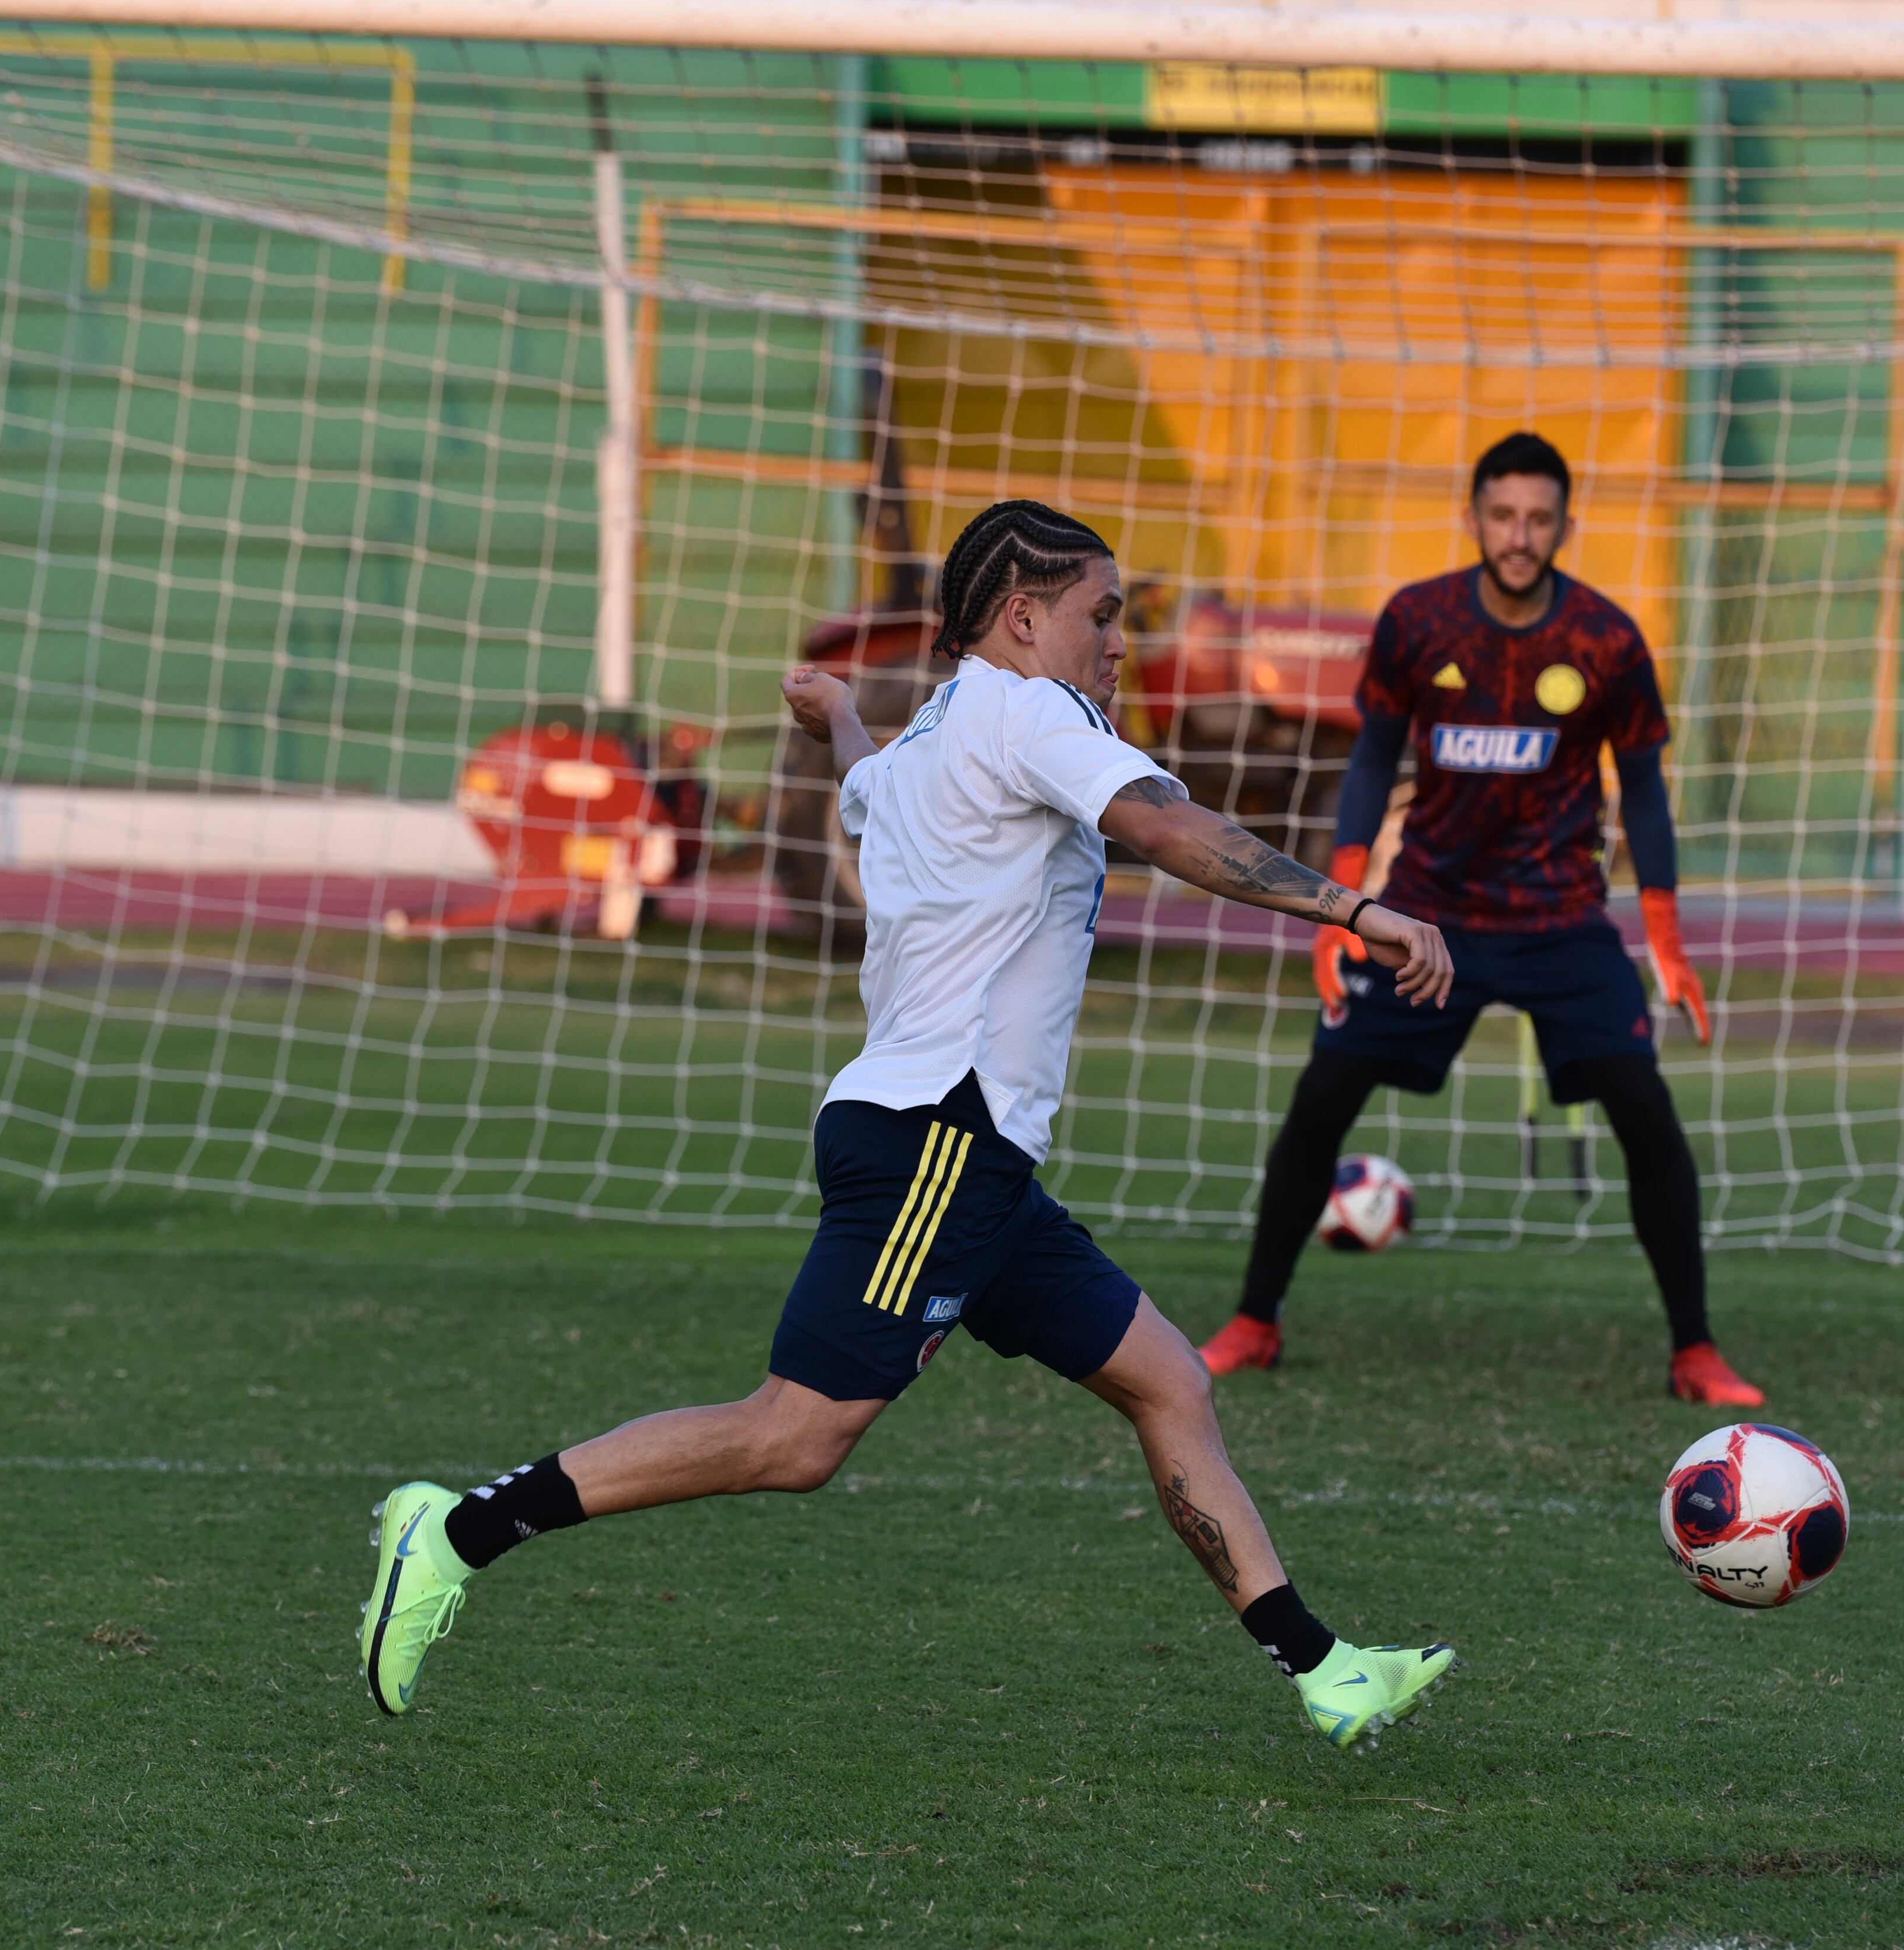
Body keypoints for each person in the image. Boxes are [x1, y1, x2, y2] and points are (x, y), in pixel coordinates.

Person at [358, 500, 1460, 1748]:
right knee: (792, 1436)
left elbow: (865, 797)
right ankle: (451, 1531)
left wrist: (838, 720)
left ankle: (1325, 1671)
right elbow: (1165, 828)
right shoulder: (1031, 712)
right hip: (940, 1136)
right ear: (1021, 616)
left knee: (1167, 1381)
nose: (1116, 640)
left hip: (969, 1157)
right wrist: (1360, 912)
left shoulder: (931, 740)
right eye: (1102, 614)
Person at [1198, 433, 1766, 1408]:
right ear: (1474, 519)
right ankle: (1255, 1321)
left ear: (1564, 526)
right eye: (1503, 516)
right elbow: (1372, 758)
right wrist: (1340, 908)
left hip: (1562, 920)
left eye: (1539, 518)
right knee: (1320, 1102)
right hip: (1428, 921)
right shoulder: (1418, 622)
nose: (1520, 535)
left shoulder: (1607, 639)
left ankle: (1694, 1349)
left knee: (1646, 1112)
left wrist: (1663, 933)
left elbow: (1646, 791)